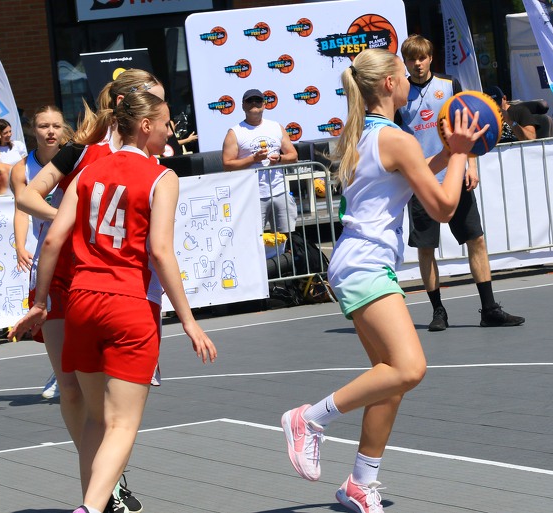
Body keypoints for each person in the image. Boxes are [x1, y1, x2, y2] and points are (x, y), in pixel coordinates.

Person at [281, 48, 487, 512]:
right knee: (409, 369)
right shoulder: (396, 138)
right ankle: (309, 419)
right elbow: (443, 207)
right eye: (403, 73)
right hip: (365, 264)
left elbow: (406, 179)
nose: (410, 79)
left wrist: (444, 155)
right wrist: (459, 153)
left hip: (355, 261)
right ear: (391, 83)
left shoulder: (365, 134)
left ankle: (360, 483)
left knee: (389, 380)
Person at [8, 90, 218, 513]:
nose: (170, 131)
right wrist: (189, 320)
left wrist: (41, 301)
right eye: (165, 122)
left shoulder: (89, 171)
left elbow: (52, 240)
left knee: (94, 417)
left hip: (81, 299)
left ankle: (94, 503)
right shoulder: (160, 176)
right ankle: (90, 507)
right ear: (145, 125)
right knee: (121, 423)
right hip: (129, 302)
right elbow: (161, 251)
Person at [16, 69, 164, 513]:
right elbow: (26, 197)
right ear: (127, 103)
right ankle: (102, 490)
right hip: (63, 276)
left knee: (112, 406)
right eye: (154, 100)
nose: (162, 113)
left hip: (113, 285)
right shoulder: (83, 150)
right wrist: (71, 221)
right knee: (72, 390)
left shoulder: (152, 156)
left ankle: (102, 487)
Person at [397, 34, 525, 330]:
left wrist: (471, 164)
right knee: (426, 249)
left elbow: (469, 123)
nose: (417, 64)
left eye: (422, 58)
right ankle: (438, 311)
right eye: (412, 59)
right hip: (422, 180)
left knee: (476, 239)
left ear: (431, 58)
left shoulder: (449, 84)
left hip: (454, 176)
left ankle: (489, 309)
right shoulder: (400, 93)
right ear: (405, 62)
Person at [10, 105, 73, 399]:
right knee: (49, 313)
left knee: (79, 311)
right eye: (44, 126)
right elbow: (21, 210)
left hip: (77, 248)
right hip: (46, 250)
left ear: (63, 129)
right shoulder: (22, 168)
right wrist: (20, 245)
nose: (50, 131)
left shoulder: (74, 158)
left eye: (56, 126)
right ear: (33, 130)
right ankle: (60, 370)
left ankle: (73, 367)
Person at [222, 88, 298, 233]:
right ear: (243, 106)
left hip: (280, 192)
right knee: (252, 237)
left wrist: (280, 158)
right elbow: (227, 165)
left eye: (258, 100)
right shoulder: (235, 132)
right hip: (252, 195)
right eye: (249, 100)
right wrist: (253, 159)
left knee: (286, 237)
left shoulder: (276, 127)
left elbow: (293, 156)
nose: (254, 103)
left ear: (264, 105)